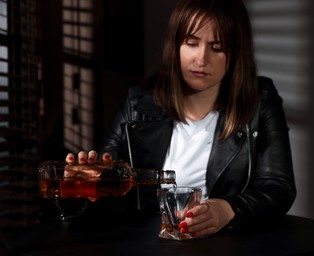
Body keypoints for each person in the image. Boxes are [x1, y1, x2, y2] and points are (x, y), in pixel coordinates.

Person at [66, 0, 296, 238]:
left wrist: (227, 210)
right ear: (175, 45)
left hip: (228, 248)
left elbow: (279, 188)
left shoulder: (260, 100)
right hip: (147, 248)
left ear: (236, 53)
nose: (201, 59)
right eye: (191, 43)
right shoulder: (139, 102)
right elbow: (108, 180)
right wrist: (89, 182)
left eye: (217, 48)